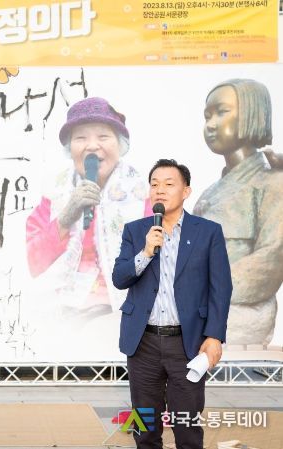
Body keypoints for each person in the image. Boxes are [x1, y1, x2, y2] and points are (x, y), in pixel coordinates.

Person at [113, 159, 232, 449]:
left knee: (187, 429)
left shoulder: (208, 232)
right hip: (143, 343)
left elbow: (221, 288)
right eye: (154, 184)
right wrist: (145, 252)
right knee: (145, 428)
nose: (160, 190)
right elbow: (119, 278)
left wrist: (214, 336)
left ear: (186, 191)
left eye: (169, 184)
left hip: (187, 344)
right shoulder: (135, 231)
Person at [26, 97, 150, 321]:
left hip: (123, 314)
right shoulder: (54, 193)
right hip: (63, 313)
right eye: (81, 138)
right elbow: (31, 263)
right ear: (69, 148)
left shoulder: (143, 194)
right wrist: (66, 217)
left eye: (103, 136)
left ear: (120, 145)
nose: (92, 146)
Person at [193, 79, 283, 346]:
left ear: (253, 114)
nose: (211, 124)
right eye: (207, 116)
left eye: (222, 112)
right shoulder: (208, 193)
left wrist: (209, 290)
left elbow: (272, 256)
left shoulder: (273, 182)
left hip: (240, 311)